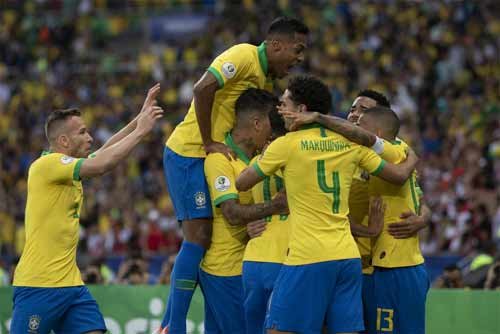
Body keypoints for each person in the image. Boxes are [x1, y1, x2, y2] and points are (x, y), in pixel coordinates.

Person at [160, 16, 309, 333]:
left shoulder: (264, 82)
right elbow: (203, 89)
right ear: (276, 44)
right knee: (199, 236)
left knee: (210, 238)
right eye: (297, 50)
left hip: (212, 154)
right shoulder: (243, 56)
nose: (299, 59)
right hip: (189, 151)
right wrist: (208, 141)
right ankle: (172, 325)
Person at [236, 75, 417, 334]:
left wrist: (268, 156)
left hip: (307, 256)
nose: (280, 110)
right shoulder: (349, 143)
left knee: (278, 330)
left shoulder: (285, 145)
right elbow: (398, 175)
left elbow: (243, 182)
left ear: (301, 110)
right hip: (347, 258)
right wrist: (413, 159)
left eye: (285, 104)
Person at [11, 84, 164, 334]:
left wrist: (139, 118)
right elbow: (103, 163)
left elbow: (104, 151)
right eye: (82, 132)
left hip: (71, 285)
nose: (90, 138)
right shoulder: (45, 166)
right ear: (63, 141)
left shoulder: (70, 168)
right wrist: (141, 133)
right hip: (38, 285)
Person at [281, 90, 431, 333]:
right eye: (352, 109)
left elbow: (417, 194)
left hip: (389, 265)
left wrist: (422, 218)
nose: (353, 116)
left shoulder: (395, 150)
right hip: (349, 265)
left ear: (380, 125)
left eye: (363, 112)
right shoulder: (344, 151)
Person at [200, 88, 288, 333]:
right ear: (258, 123)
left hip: (248, 261)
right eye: (272, 124)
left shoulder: (260, 158)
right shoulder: (220, 159)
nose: (275, 132)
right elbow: (231, 212)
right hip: (224, 268)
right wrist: (275, 207)